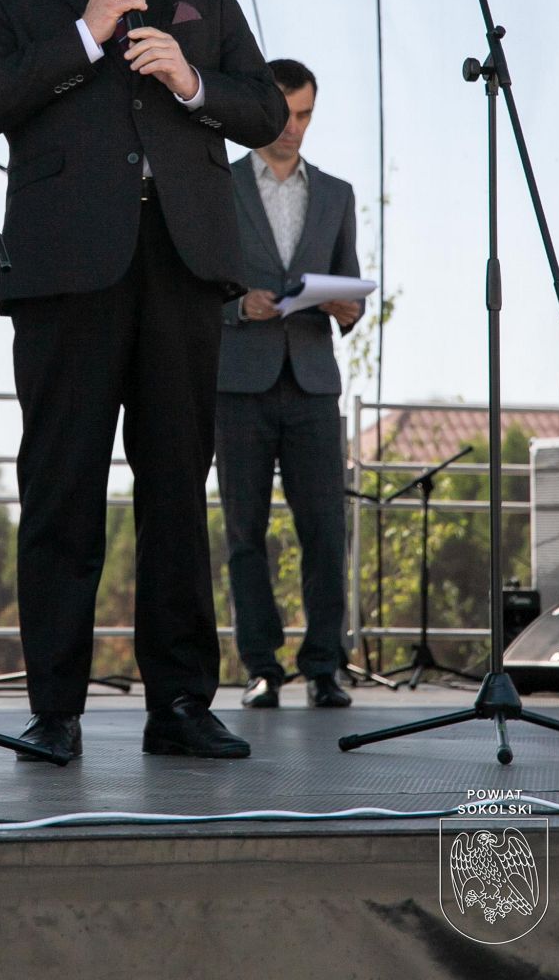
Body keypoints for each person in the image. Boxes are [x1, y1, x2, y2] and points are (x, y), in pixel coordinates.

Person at [0, 0, 288, 761]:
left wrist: (192, 81)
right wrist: (84, 33)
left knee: (178, 487)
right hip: (66, 272)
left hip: (180, 265)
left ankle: (179, 703)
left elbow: (263, 107)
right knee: (62, 486)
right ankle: (56, 708)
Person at [215, 59, 363, 710]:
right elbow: (194, 282)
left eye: (305, 115)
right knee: (244, 534)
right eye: (283, 113)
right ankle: (261, 669)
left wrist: (347, 307)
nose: (293, 127)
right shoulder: (217, 184)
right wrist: (235, 306)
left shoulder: (336, 194)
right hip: (238, 383)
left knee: (326, 532)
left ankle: (324, 667)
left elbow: (350, 288)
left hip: (312, 382)